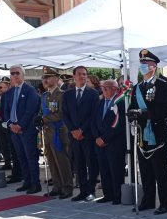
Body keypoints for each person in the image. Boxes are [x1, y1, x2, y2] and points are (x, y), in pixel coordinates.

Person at [129, 49, 167, 214]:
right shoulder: (138, 87)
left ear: (153, 66)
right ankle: (147, 200)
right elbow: (132, 105)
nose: (143, 66)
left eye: (146, 63)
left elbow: (163, 108)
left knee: (160, 169)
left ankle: (165, 203)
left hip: (156, 132)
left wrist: (143, 113)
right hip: (141, 132)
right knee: (145, 168)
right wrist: (131, 114)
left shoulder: (162, 84)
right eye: (141, 63)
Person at [63, 66, 100, 202]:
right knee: (79, 164)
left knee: (91, 163)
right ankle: (83, 191)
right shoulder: (68, 95)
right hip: (74, 136)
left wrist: (82, 131)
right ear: (74, 76)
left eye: (84, 74)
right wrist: (73, 130)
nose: (82, 77)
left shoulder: (93, 93)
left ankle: (91, 191)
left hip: (88, 135)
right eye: (79, 74)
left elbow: (93, 115)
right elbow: (65, 114)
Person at [3, 65, 41, 194]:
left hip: (27, 130)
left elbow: (31, 110)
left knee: (31, 157)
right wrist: (10, 124)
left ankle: (35, 184)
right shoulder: (9, 93)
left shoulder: (30, 90)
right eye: (12, 73)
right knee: (21, 158)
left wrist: (20, 125)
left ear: (23, 75)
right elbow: (5, 111)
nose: (15, 75)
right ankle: (27, 181)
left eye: (17, 73)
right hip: (14, 130)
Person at [40, 67, 73, 199]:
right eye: (44, 77)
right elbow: (43, 112)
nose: (45, 80)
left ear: (56, 78)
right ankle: (57, 186)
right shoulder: (45, 96)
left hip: (59, 132)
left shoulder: (62, 95)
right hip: (47, 132)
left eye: (48, 77)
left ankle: (67, 187)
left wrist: (43, 119)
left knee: (62, 161)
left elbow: (61, 114)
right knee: (52, 161)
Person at [92, 80, 127, 204]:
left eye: (107, 88)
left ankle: (117, 196)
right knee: (104, 170)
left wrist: (105, 139)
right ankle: (108, 194)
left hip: (114, 143)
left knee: (116, 170)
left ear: (115, 89)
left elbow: (119, 125)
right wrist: (97, 137)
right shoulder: (100, 103)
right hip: (99, 143)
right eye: (103, 88)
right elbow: (94, 121)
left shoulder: (121, 102)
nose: (104, 90)